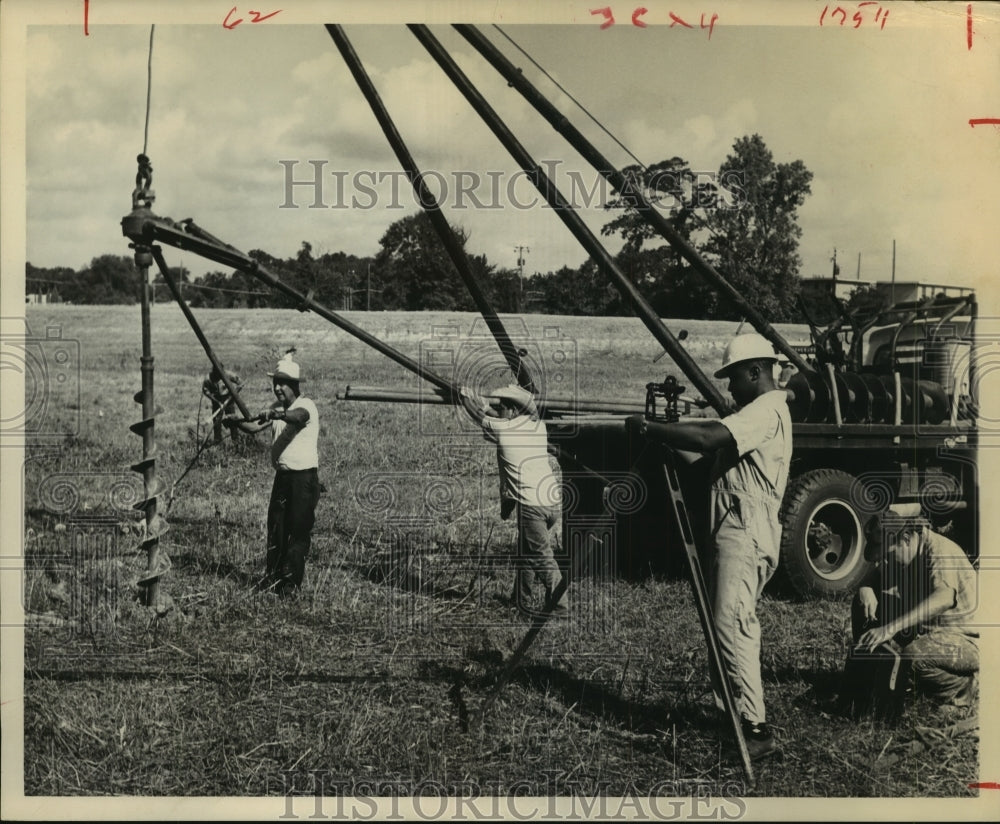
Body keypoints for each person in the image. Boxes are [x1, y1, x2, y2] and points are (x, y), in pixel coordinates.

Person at [638, 332, 791, 760]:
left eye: (733, 378)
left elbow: (708, 439)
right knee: (720, 622)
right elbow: (707, 459)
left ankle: (756, 729)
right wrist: (667, 438)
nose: (728, 388)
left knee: (732, 624)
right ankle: (736, 715)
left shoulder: (765, 410)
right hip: (733, 527)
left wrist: (655, 428)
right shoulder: (756, 415)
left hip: (746, 530)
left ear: (756, 371)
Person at [458, 383, 568, 619]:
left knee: (541, 557)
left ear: (512, 410)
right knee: (526, 552)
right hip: (552, 501)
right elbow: (499, 417)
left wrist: (463, 395)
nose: (502, 411)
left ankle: (561, 607)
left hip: (531, 505)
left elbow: (477, 415)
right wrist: (491, 408)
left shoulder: (504, 431)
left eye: (505, 406)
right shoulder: (537, 427)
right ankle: (521, 600)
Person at [850, 507, 978, 707]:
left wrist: (891, 628)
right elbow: (875, 573)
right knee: (861, 603)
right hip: (927, 630)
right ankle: (871, 670)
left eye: (887, 554)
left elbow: (944, 597)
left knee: (913, 657)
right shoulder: (902, 552)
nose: (883, 562)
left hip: (965, 640)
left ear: (907, 538)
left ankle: (963, 688)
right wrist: (865, 588)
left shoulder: (938, 550)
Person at [254, 352, 321, 596]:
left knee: (298, 530)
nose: (278, 389)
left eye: (282, 384)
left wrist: (278, 414)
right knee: (276, 528)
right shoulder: (276, 408)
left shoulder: (305, 406)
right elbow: (253, 426)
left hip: (303, 480)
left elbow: (297, 418)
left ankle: (290, 585)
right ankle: (273, 580)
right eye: (275, 384)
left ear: (294, 385)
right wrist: (233, 421)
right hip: (282, 478)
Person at [202, 365, 244, 445]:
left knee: (232, 419)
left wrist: (234, 393)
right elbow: (206, 391)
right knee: (217, 421)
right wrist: (216, 401)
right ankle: (217, 440)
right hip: (216, 399)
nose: (218, 376)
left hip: (229, 398)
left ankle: (235, 440)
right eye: (216, 373)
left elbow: (241, 383)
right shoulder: (208, 379)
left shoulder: (228, 374)